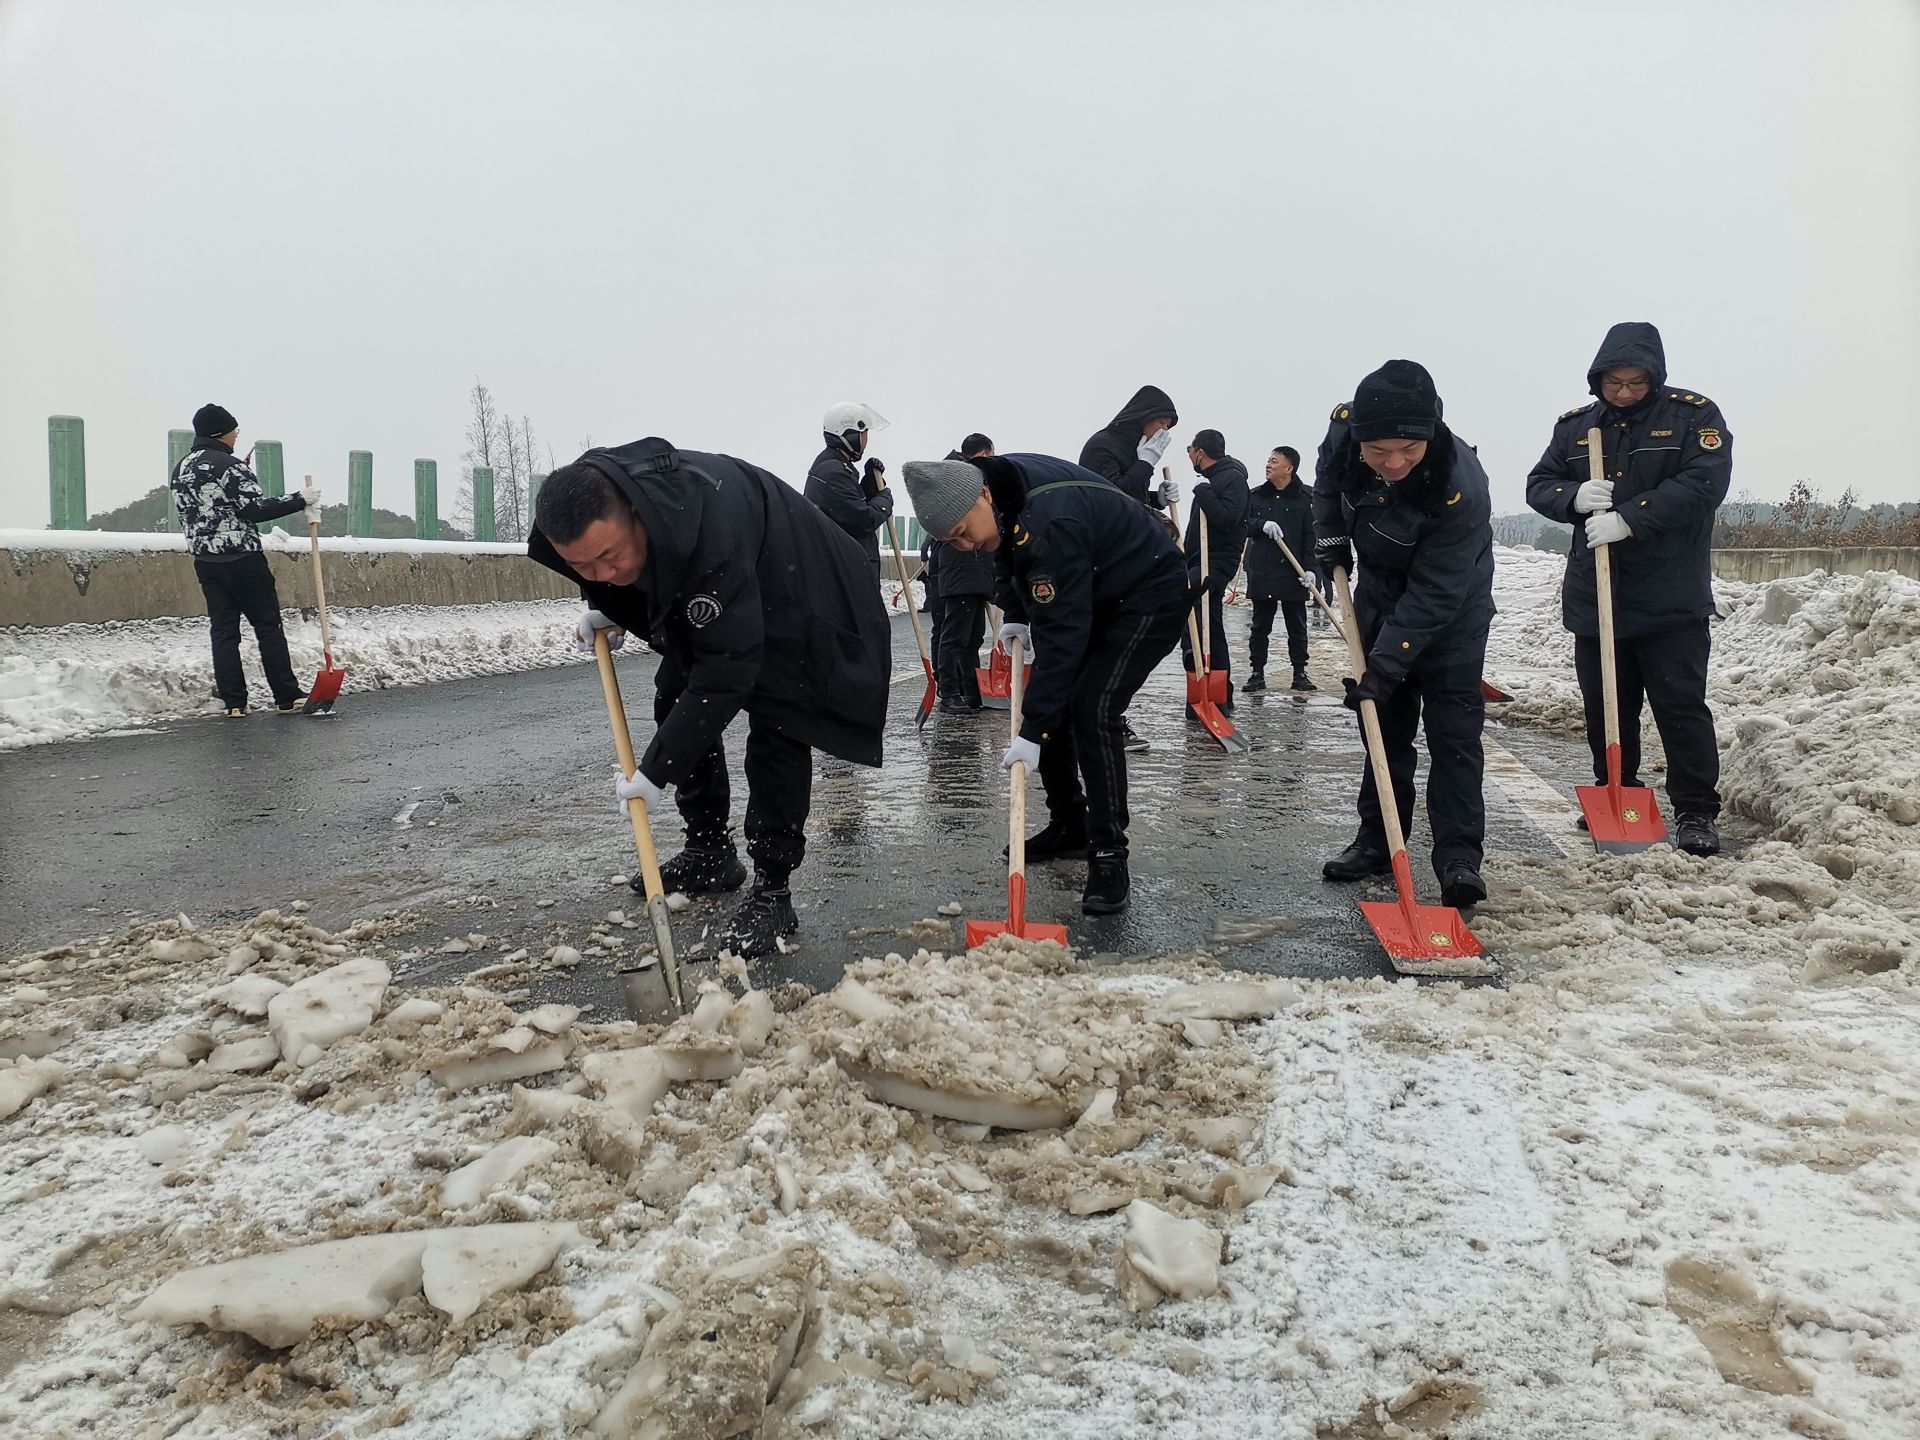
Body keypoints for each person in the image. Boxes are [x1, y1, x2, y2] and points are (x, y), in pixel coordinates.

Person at [529, 437, 891, 958]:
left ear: (636, 512)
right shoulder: (595, 504)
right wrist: (618, 604)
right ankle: (710, 850)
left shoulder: (706, 527)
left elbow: (728, 670)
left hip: (801, 588)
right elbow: (651, 582)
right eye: (583, 567)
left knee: (779, 722)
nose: (600, 574)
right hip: (731, 571)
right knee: (674, 695)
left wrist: (654, 771)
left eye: (608, 557)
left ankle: (773, 889)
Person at [901, 451, 1188, 914]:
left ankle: (1109, 852)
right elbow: (1005, 551)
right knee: (1056, 703)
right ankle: (1070, 826)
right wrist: (1015, 608)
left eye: (961, 532)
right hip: (1098, 586)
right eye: (949, 542)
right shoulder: (1002, 494)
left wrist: (1033, 730)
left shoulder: (1049, 522)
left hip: (1148, 593)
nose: (964, 546)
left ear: (983, 495)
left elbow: (1062, 639)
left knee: (1092, 708)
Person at [1524, 322, 1731, 856]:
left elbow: (1703, 484)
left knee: (1679, 705)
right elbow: (1538, 484)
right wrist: (1571, 496)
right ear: (1598, 378)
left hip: (1669, 596)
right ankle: (1620, 794)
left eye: (1635, 383)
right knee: (1606, 705)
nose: (1623, 393)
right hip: (1598, 595)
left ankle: (1695, 809)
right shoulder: (1576, 428)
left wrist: (1629, 518)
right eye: (1613, 383)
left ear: (1655, 377)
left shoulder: (1693, 417)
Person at [1313, 361, 1495, 908]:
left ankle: (1459, 858)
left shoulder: (1460, 483)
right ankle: (1377, 840)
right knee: (1383, 731)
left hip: (1453, 616)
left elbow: (1437, 591)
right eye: (1378, 452)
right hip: (1377, 595)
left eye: (1407, 452)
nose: (1392, 464)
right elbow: (1326, 485)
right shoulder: (1346, 434)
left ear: (1430, 435)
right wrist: (1328, 540)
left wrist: (1386, 667)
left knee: (1453, 737)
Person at [169, 403, 321, 717]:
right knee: (267, 626)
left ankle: (235, 701)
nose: (237, 435)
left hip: (206, 560)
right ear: (222, 432)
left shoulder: (181, 468)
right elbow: (254, 510)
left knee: (224, 632)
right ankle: (286, 695)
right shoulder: (229, 465)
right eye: (234, 430)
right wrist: (300, 499)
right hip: (243, 558)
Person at [1080, 386, 1179, 752]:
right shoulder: (1103, 446)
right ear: (1142, 416)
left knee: (1119, 642)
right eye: (1161, 423)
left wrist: (1156, 499)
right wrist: (1144, 465)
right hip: (1100, 558)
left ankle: (1106, 717)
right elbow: (1109, 496)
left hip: (1127, 558)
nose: (1163, 433)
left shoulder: (1137, 451)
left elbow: (1132, 498)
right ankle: (1093, 721)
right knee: (1098, 642)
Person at [1178, 429, 1250, 700]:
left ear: (1200, 452)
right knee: (1208, 621)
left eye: (1189, 449)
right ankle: (1214, 688)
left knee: (1193, 602)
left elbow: (1227, 519)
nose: (1189, 455)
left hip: (1218, 560)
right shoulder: (1216, 478)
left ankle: (1195, 656)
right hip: (1200, 559)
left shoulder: (1231, 478)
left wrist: (1204, 493)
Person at [932, 435, 998, 713]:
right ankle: (948, 692)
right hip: (962, 566)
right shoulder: (957, 483)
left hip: (975, 567)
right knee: (956, 635)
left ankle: (972, 691)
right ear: (983, 453)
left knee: (973, 637)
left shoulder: (975, 482)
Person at [1244, 445, 1317, 691]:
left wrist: (1311, 570)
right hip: (1262, 569)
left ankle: (1300, 674)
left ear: (1289, 468)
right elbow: (1242, 524)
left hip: (1293, 572)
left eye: (1274, 461)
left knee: (1297, 626)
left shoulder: (1306, 499)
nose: (1268, 465)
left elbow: (1311, 537)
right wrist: (1260, 524)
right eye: (1268, 460)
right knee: (1259, 627)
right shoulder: (1255, 496)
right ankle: (1257, 673)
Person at [805, 401, 894, 580]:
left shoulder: (834, 466)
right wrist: (885, 500)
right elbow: (863, 519)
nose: (866, 439)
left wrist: (870, 482)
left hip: (844, 566)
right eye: (864, 433)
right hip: (847, 570)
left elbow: (849, 504)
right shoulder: (834, 472)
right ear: (850, 434)